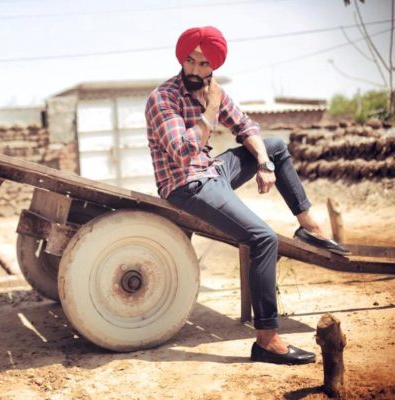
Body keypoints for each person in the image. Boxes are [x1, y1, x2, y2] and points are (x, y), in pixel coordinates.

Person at [145, 26, 349, 365]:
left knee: (275, 146)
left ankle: (308, 225)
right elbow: (182, 151)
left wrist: (264, 162)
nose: (195, 70)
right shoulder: (162, 98)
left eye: (204, 63)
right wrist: (210, 112)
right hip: (187, 184)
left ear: (215, 66)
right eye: (190, 61)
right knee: (264, 238)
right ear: (182, 59)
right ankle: (267, 340)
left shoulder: (214, 91)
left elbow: (246, 127)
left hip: (212, 171)